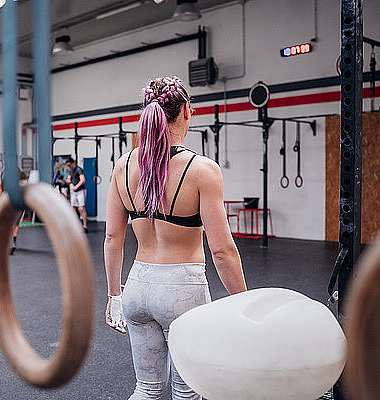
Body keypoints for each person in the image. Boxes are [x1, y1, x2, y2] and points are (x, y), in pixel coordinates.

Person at [103, 76, 247, 400]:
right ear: (186, 113)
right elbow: (222, 251)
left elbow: (113, 237)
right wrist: (244, 302)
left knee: (147, 389)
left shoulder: (123, 166)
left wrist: (114, 296)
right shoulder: (202, 170)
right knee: (189, 392)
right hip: (184, 290)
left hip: (136, 287)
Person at [0, 167, 28, 254]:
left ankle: (12, 242)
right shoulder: (6, 172)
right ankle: (11, 242)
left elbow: (25, 185)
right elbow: (1, 187)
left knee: (14, 222)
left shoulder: (18, 172)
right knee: (11, 222)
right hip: (9, 199)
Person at [65, 157, 88, 233]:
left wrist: (76, 186)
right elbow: (69, 180)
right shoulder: (70, 171)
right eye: (67, 165)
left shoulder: (79, 169)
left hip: (81, 190)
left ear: (73, 163)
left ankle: (85, 226)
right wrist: (62, 180)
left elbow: (83, 180)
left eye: (69, 165)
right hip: (74, 192)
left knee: (81, 208)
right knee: (73, 209)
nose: (69, 167)